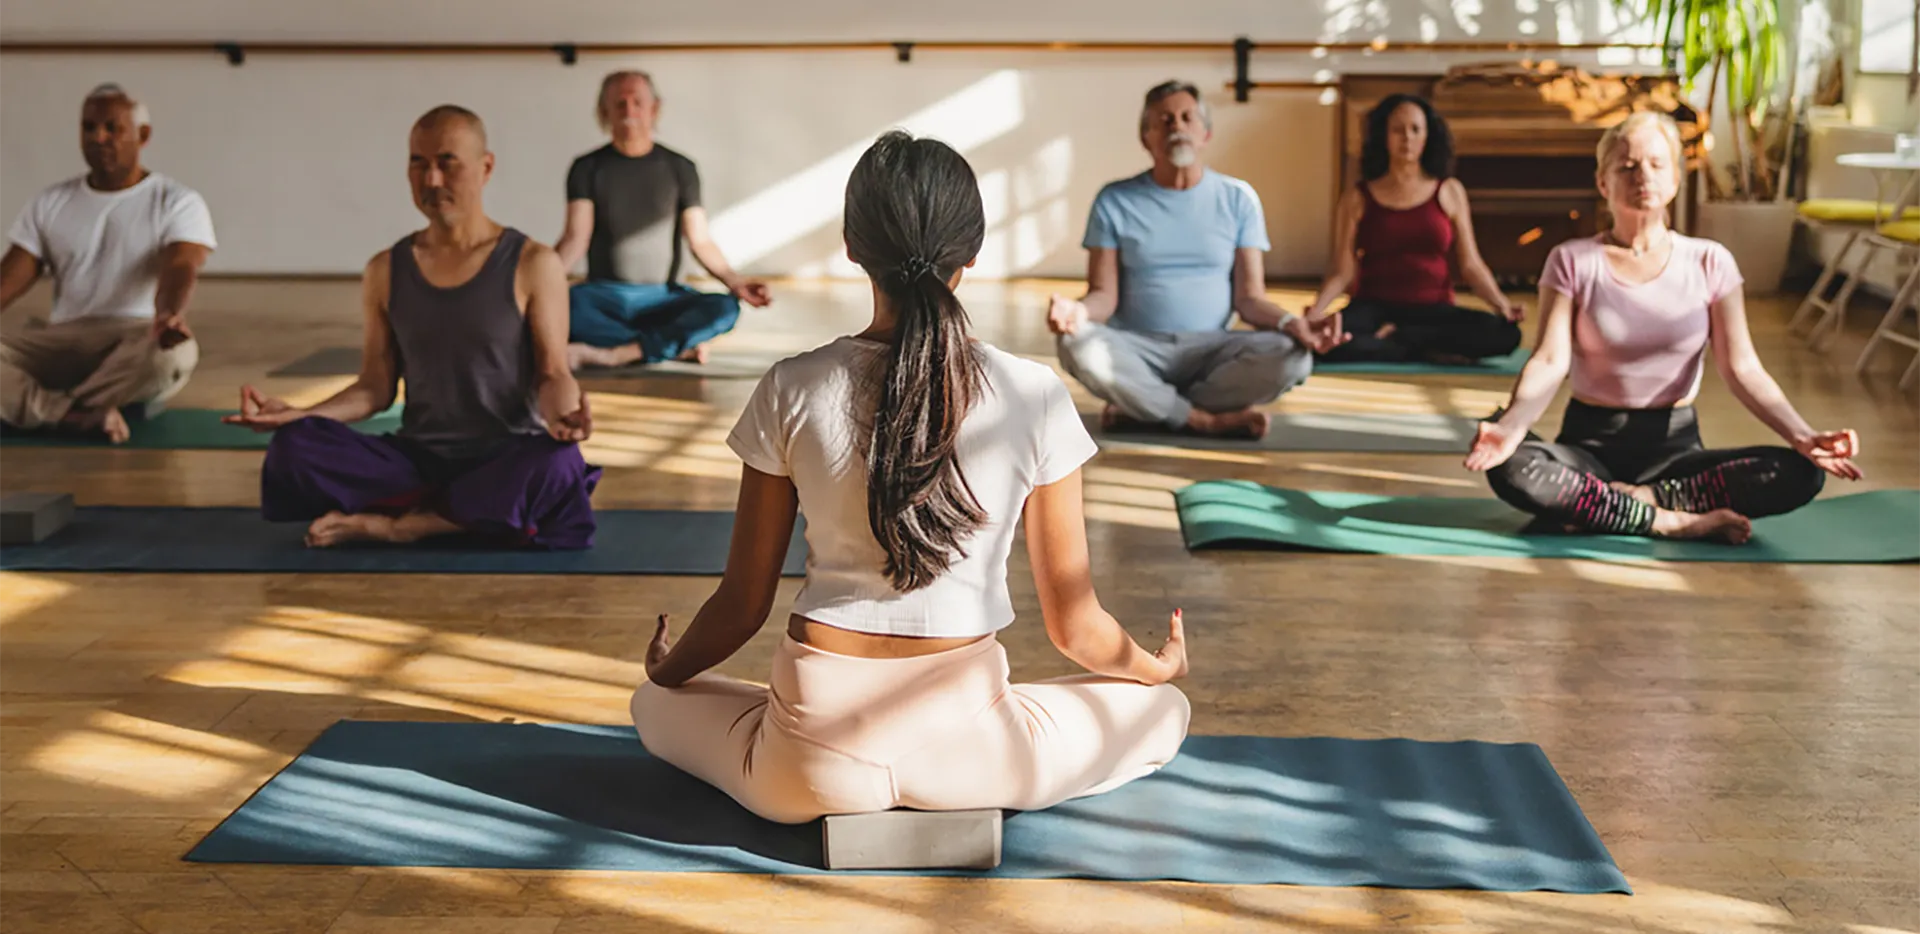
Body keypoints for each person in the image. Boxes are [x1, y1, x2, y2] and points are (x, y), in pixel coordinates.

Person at [632, 130, 1190, 824]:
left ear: (851, 245)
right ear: (974, 252)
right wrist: (1153, 668)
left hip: (806, 766)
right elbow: (1076, 630)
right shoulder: (1032, 393)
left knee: (653, 703)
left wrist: (667, 669)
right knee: (1165, 710)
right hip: (980, 758)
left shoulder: (791, 386)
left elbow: (742, 605)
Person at [1464, 112, 1860, 542]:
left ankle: (1629, 502)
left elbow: (1742, 367)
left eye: (1656, 164)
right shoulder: (1572, 259)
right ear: (1603, 183)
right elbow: (1548, 359)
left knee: (1801, 474)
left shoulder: (1710, 261)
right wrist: (1512, 426)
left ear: (1675, 178)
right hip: (1589, 448)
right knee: (1511, 464)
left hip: (1674, 454)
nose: (1642, 177)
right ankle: (1666, 520)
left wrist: (1802, 435)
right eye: (1627, 166)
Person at [225, 106, 600, 550]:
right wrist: (299, 415)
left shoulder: (534, 263)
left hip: (503, 456)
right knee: (295, 445)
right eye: (418, 163)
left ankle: (404, 525)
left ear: (486, 167)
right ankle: (466, 514)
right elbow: (375, 387)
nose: (432, 180)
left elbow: (553, 372)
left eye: (447, 162)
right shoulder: (385, 269)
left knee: (558, 464)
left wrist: (564, 416)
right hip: (417, 461)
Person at [1047, 80, 1347, 440]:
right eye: (1165, 120)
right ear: (1147, 137)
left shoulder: (1239, 199)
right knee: (1075, 343)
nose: (1177, 126)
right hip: (1139, 348)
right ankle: (1201, 419)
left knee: (1293, 355)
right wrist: (1077, 313)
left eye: (1187, 117)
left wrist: (1290, 323)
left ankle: (1146, 407)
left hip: (1214, 350)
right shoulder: (1114, 200)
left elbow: (1250, 299)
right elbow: (1103, 296)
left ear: (1205, 133)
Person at [0, 83, 214, 443]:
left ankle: (48, 407)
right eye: (88, 128)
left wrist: (168, 315)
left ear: (142, 135)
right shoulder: (50, 202)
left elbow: (180, 266)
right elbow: (10, 279)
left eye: (112, 128)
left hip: (136, 339)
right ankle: (75, 413)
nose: (99, 138)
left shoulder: (177, 201)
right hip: (63, 339)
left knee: (174, 354)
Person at [558, 70, 772, 370]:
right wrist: (535, 284)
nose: (629, 111)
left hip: (664, 297)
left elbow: (699, 239)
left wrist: (736, 282)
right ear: (604, 111)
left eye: (637, 102)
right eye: (619, 104)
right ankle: (667, 345)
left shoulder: (680, 168)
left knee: (724, 309)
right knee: (557, 309)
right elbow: (574, 239)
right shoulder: (587, 168)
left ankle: (617, 353)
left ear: (654, 108)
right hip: (603, 296)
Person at [1301, 94, 1523, 365]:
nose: (1406, 137)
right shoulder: (1357, 197)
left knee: (1506, 335)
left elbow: (1471, 264)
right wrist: (1317, 311)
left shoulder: (1450, 191)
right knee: (1325, 339)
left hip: (1433, 309)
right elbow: (1342, 270)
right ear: (1383, 136)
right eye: (1397, 129)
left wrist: (1502, 305)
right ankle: (1418, 346)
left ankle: (1400, 340)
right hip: (1373, 308)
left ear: (1427, 136)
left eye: (1415, 129)